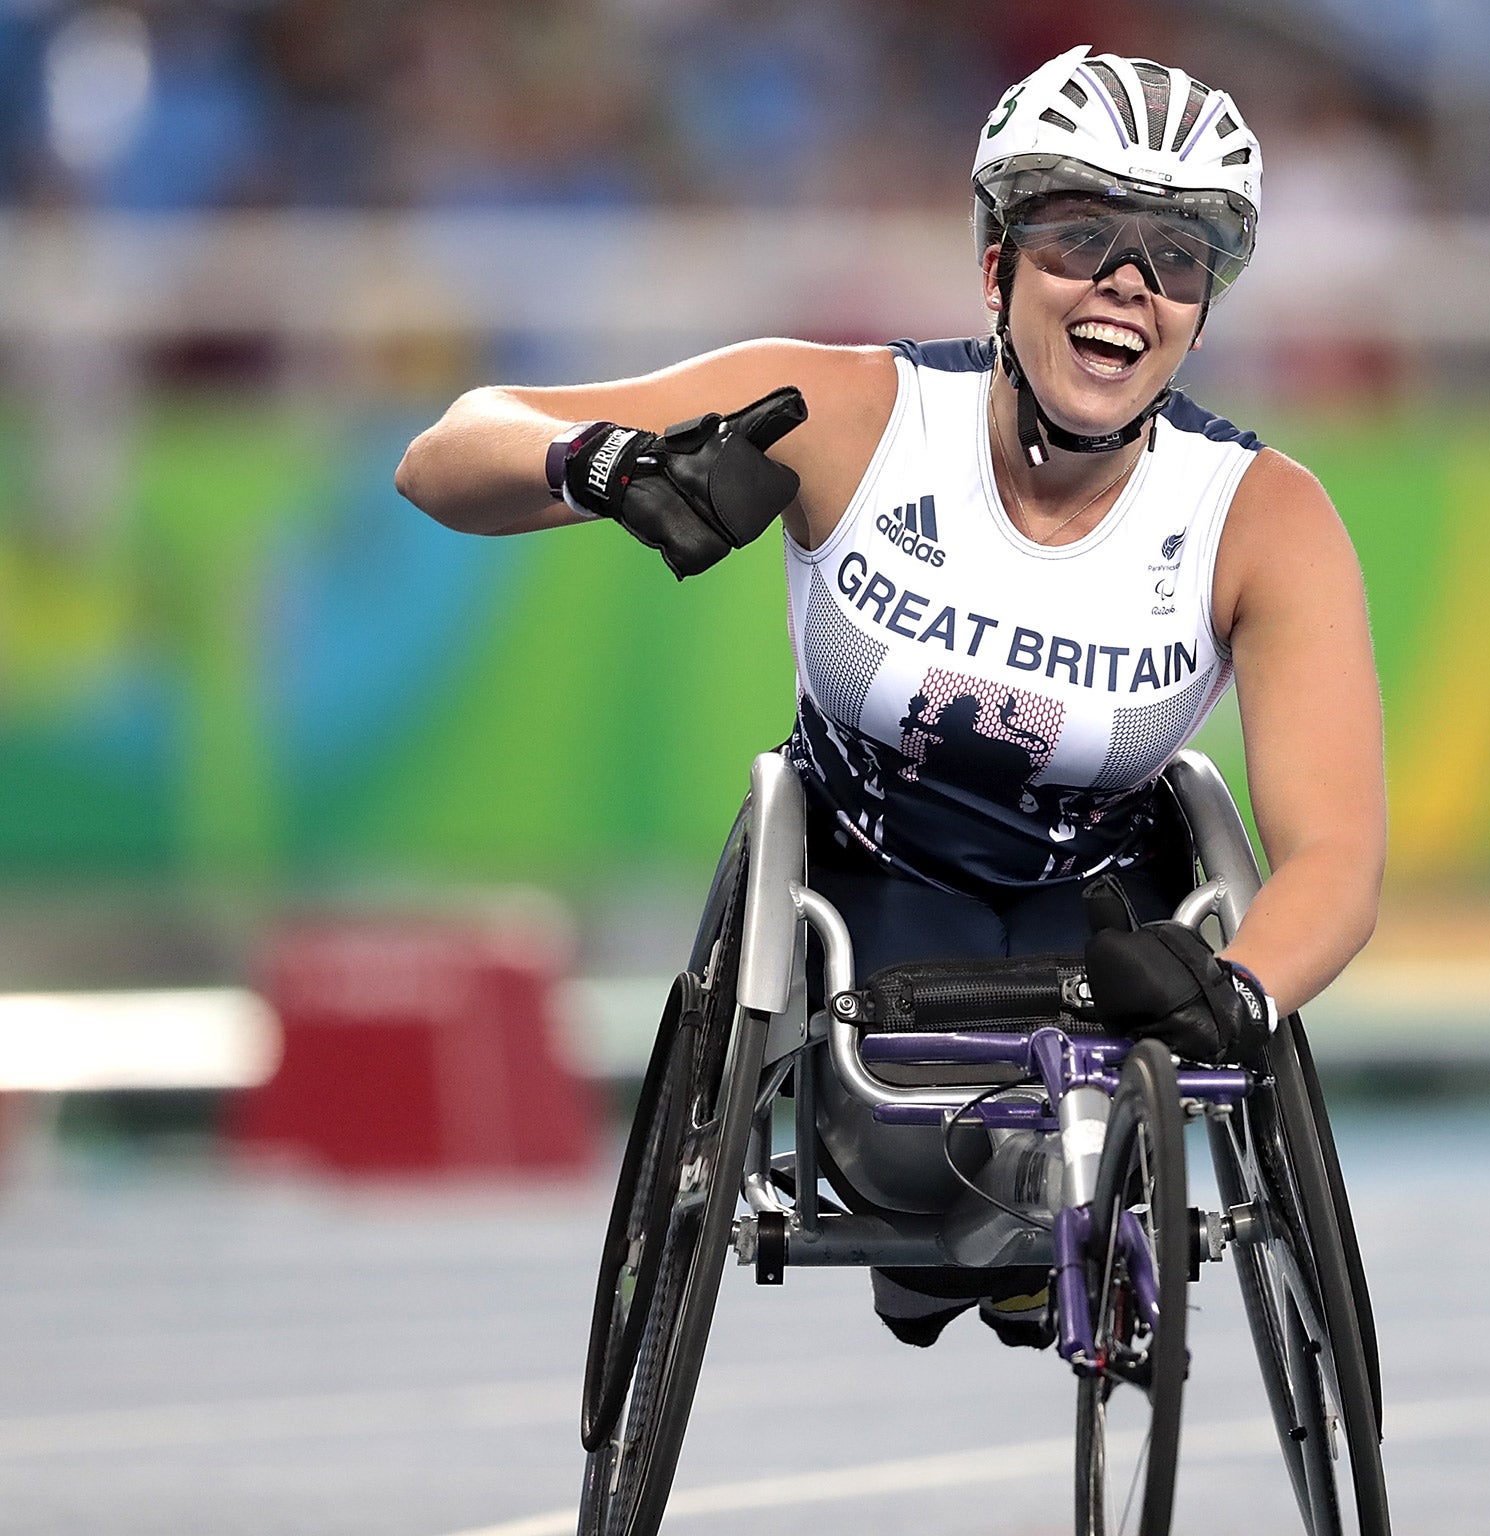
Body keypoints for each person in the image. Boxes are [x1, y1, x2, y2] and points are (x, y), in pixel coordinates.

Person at [396, 46, 1386, 1345]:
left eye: (1177, 256)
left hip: (1101, 902)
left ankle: (1039, 1226)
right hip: (872, 879)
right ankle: (970, 1245)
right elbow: (446, 452)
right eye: (1081, 236)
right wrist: (609, 466)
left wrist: (1242, 989)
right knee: (919, 1164)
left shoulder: (1263, 518)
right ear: (995, 262)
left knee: (1079, 1146)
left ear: (1204, 307)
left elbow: (1337, 857)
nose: (1128, 286)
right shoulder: (856, 416)